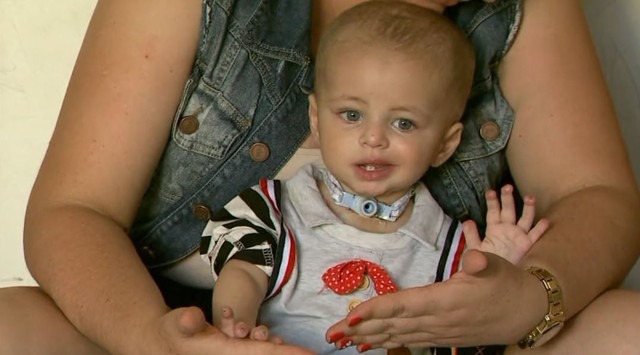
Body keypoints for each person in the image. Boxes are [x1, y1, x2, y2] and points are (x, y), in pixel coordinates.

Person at [0, 0, 638, 354]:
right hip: (196, 330)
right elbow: (73, 210)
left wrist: (532, 295)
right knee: (12, 325)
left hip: (430, 338)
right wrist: (156, 341)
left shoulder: (518, 10)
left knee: (625, 329)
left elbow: (596, 198)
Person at [199, 3, 548, 354]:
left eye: (403, 123)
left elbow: (467, 329)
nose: (374, 138)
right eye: (352, 115)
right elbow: (242, 271)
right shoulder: (275, 208)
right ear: (317, 120)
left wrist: (493, 272)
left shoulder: (451, 248)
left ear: (444, 144)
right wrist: (236, 324)